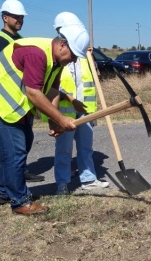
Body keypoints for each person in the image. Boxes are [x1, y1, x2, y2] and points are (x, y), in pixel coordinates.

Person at [0, 24, 90, 215]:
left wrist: (53, 121)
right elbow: (33, 92)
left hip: (11, 103)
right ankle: (20, 202)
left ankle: (3, 192)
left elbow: (53, 91)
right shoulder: (37, 53)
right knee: (16, 148)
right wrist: (61, 118)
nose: (73, 60)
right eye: (73, 55)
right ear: (63, 45)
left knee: (21, 143)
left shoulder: (56, 61)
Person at [50, 12, 109, 195]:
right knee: (63, 149)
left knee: (85, 147)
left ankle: (88, 179)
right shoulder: (58, 54)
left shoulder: (83, 52)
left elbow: (95, 78)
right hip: (66, 111)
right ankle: (62, 183)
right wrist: (70, 100)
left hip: (85, 110)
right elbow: (52, 86)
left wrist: (93, 60)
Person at [0, 0, 44, 182]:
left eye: (22, 17)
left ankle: (20, 171)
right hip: (7, 99)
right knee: (12, 144)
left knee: (26, 138)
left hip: (22, 97)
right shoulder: (0, 40)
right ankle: (10, 181)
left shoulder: (21, 39)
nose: (20, 20)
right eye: (16, 17)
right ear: (5, 17)